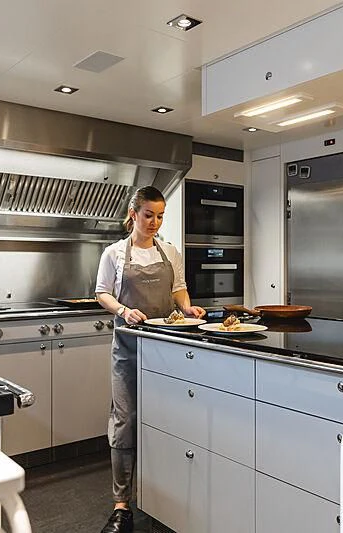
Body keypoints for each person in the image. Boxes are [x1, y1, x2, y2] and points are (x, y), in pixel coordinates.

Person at [95, 186, 205, 533]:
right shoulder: (113, 253)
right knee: (125, 421)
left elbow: (178, 289)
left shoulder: (170, 251)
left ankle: (165, 498)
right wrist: (124, 310)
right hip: (128, 348)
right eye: (148, 215)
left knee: (167, 420)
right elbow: (102, 293)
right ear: (133, 214)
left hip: (167, 351)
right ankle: (122, 505)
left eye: (160, 216)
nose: (154, 222)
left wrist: (187, 307)